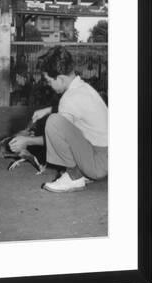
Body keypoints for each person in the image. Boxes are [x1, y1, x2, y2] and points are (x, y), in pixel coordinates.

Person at [9, 46, 108, 192]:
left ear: (61, 78)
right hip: (108, 157)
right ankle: (84, 172)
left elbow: (59, 134)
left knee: (54, 123)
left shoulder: (68, 100)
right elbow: (78, 111)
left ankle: (74, 177)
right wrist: (48, 110)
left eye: (49, 81)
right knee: (56, 118)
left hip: (98, 165)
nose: (49, 85)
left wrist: (27, 141)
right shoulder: (83, 88)